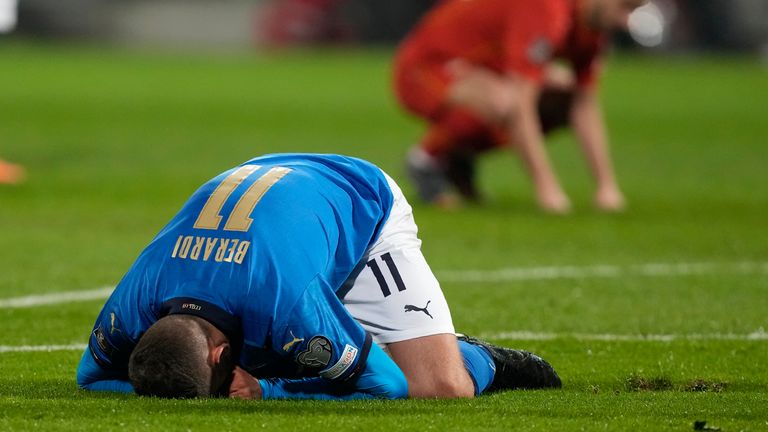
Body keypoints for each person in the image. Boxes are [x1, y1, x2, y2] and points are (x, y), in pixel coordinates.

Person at [76, 153, 561, 400]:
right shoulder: (137, 298)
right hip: (272, 185)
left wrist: (267, 391)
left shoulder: (286, 302)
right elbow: (90, 378)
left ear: (221, 354)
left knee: (437, 386)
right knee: (285, 352)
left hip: (361, 199)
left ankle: (482, 355)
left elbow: (387, 386)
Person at [394, 0, 646, 213]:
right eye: (625, 6)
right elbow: (520, 103)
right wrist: (547, 189)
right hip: (424, 67)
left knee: (563, 95)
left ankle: (457, 158)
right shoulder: (545, 8)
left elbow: (585, 101)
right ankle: (427, 160)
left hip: (483, 70)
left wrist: (607, 187)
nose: (625, 21)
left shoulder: (590, 25)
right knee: (506, 102)